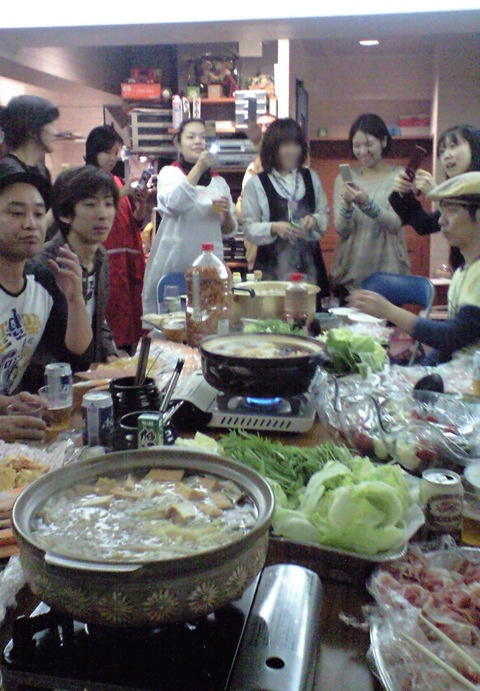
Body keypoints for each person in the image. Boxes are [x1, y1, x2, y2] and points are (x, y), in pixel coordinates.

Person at [349, 172, 480, 365]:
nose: (441, 221)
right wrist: (420, 371)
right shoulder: (463, 271)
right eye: (442, 211)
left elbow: (452, 337)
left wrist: (389, 311)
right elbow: (447, 348)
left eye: (451, 211)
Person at [0, 168, 93, 438]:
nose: (30, 224)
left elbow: (77, 356)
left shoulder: (41, 281)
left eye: (39, 214)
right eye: (17, 213)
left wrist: (75, 299)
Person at [142, 118, 237, 315]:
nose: (198, 142)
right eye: (191, 137)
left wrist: (227, 214)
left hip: (210, 268)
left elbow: (228, 231)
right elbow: (175, 204)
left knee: (209, 320)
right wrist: (199, 167)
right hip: (174, 266)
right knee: (173, 323)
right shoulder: (170, 174)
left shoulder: (219, 182)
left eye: (203, 137)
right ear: (178, 143)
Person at [32, 165, 119, 370]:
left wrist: (110, 354)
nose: (103, 214)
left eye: (108, 204)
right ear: (64, 214)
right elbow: (34, 342)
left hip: (92, 375)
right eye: (90, 204)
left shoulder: (100, 257)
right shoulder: (44, 265)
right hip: (54, 379)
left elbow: (98, 319)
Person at [241, 117, 329, 297]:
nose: (292, 151)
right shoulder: (257, 183)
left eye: (296, 144)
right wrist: (274, 227)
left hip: (310, 266)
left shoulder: (311, 177)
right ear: (273, 148)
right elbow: (249, 228)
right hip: (270, 268)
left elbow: (324, 215)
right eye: (285, 145)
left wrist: (314, 220)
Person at [331, 114, 407, 302]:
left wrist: (366, 203)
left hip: (389, 275)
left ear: (383, 141)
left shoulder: (400, 177)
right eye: (356, 146)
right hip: (350, 275)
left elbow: (395, 223)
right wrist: (347, 205)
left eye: (369, 144)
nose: (363, 151)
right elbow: (342, 230)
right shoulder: (345, 178)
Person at [85, 125, 148, 355]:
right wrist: (119, 194)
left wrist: (141, 205)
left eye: (116, 152)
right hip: (106, 260)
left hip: (129, 260)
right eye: (108, 152)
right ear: (94, 151)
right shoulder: (86, 181)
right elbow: (90, 212)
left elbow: (134, 222)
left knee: (132, 315)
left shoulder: (118, 181)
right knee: (112, 316)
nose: (113, 158)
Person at [389, 124, 480, 270]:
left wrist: (438, 194)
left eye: (453, 146)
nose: (446, 156)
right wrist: (402, 193)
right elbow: (424, 225)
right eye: (442, 151)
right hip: (464, 271)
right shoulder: (454, 194)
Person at [237, 113, 277, 270]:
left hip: (284, 254)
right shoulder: (251, 169)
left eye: (269, 126)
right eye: (260, 126)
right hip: (256, 254)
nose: (264, 130)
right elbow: (243, 213)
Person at [0, 95, 59, 182]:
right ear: (32, 130)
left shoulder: (41, 170)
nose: (55, 132)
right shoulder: (12, 172)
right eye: (50, 124)